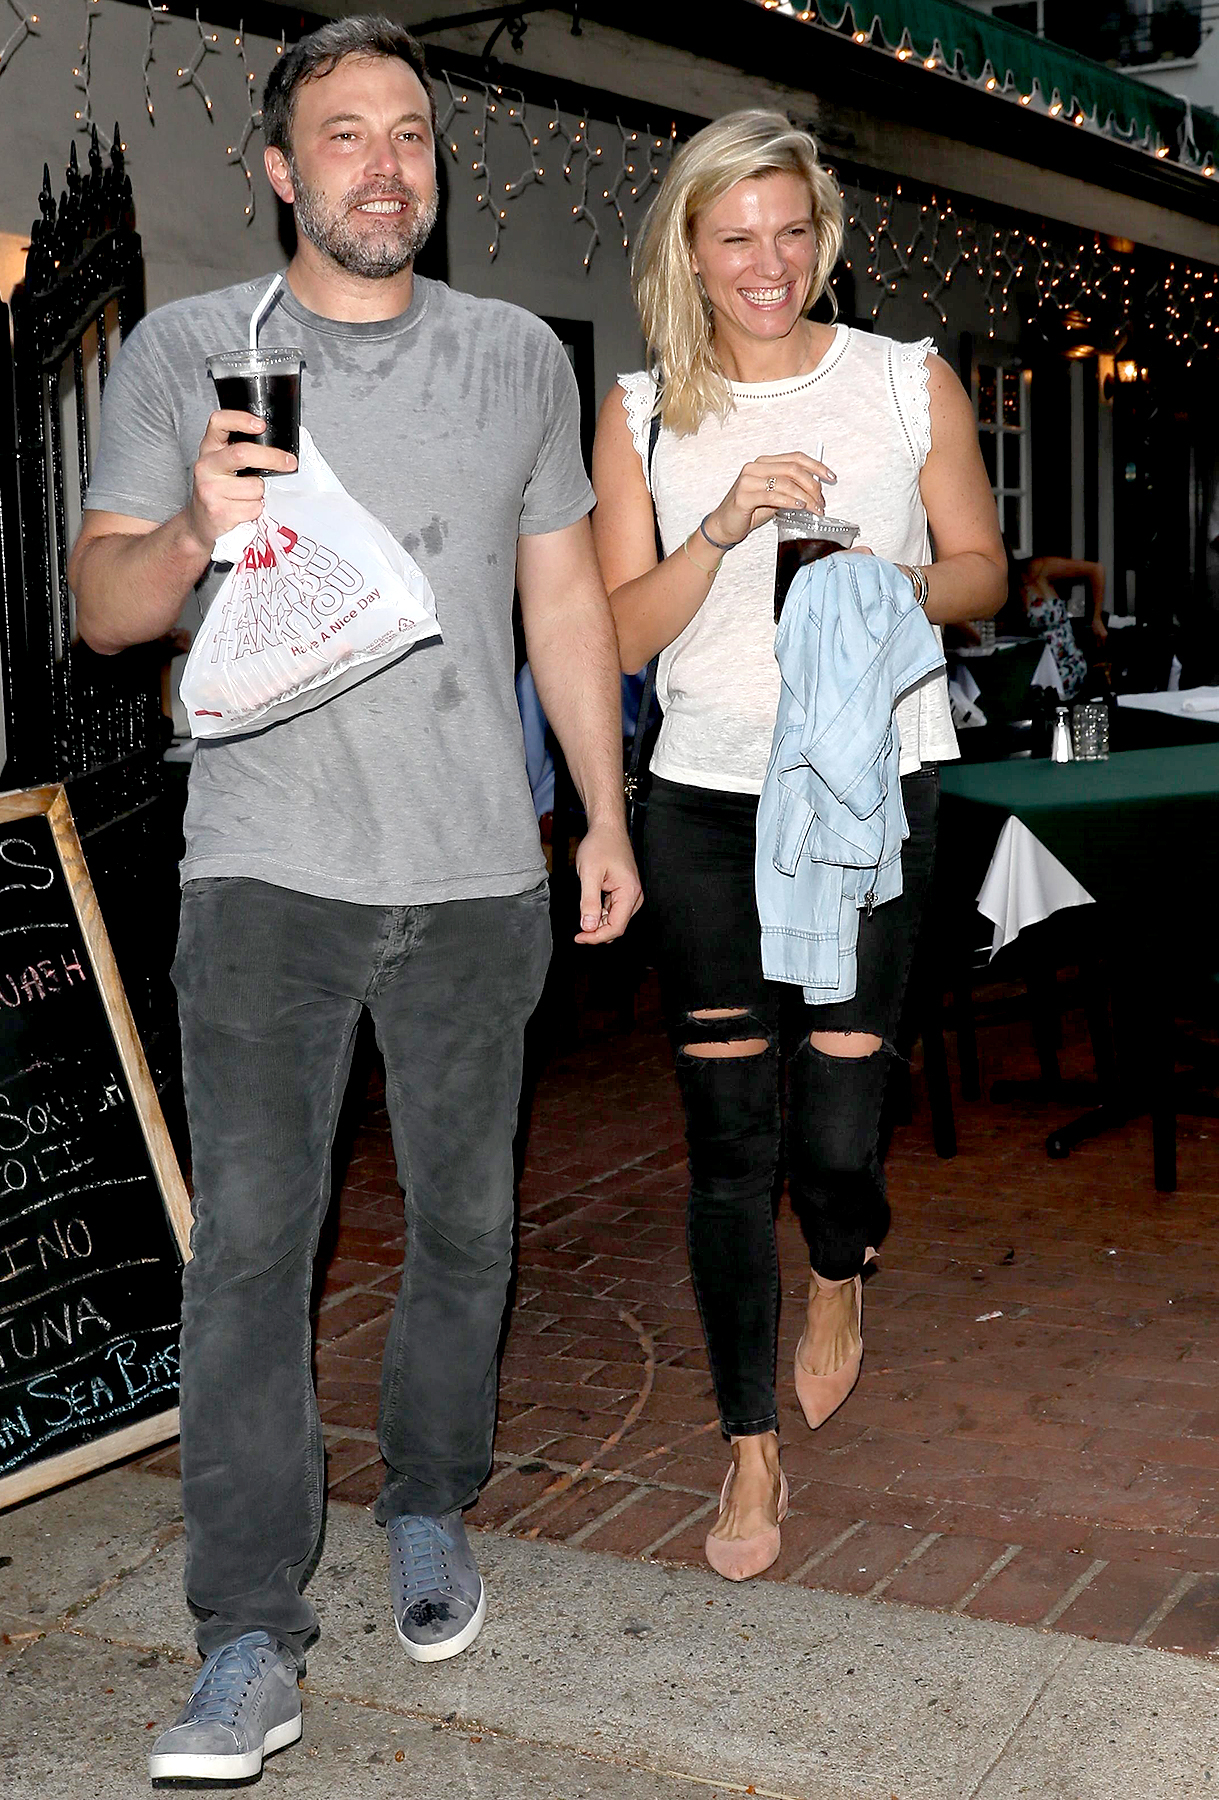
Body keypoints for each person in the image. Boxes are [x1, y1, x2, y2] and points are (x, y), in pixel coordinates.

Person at [70, 16, 639, 1784]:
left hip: (475, 870)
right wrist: (190, 532)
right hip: (266, 870)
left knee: (468, 1228)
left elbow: (561, 601)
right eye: (342, 134)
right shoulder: (191, 351)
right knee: (252, 1248)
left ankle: (426, 1502)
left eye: (407, 134)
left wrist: (599, 814)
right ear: (277, 167)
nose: (382, 166)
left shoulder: (514, 359)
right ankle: (246, 1634)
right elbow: (102, 609)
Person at [591, 110, 1005, 1582]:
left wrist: (892, 584)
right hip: (704, 802)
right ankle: (748, 1447)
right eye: (732, 237)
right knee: (726, 1145)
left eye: (787, 231)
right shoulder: (641, 410)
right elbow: (617, 635)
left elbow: (982, 571)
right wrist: (713, 529)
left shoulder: (903, 381)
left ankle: (838, 1268)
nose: (763, 262)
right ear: (689, 252)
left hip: (867, 792)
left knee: (834, 1137)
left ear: (819, 236)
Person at [1013, 552, 1107, 695]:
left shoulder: (1036, 569)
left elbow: (1096, 569)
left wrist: (1097, 618)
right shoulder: (1000, 591)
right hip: (1036, 673)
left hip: (1069, 664)